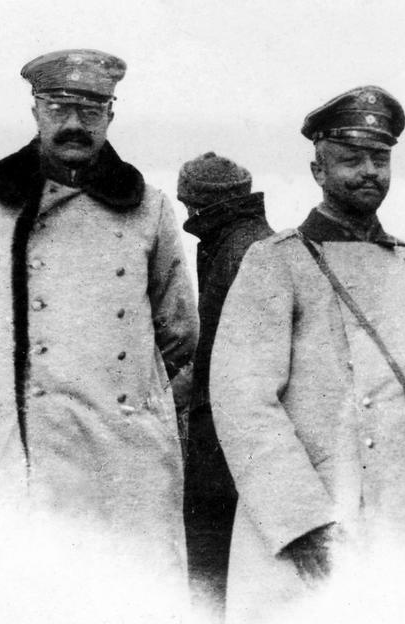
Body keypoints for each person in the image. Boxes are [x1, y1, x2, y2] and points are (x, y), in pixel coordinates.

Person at [209, 85, 405, 622]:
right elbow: (244, 403)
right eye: (351, 159)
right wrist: (302, 524)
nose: (369, 171)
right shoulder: (276, 263)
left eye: (380, 158)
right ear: (318, 169)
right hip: (322, 517)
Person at [0, 49, 199, 581]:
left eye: (90, 111)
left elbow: (178, 328)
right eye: (59, 108)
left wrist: (132, 393)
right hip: (14, 438)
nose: (73, 125)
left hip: (122, 443)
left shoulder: (151, 208)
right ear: (36, 110)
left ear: (111, 114)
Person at [177, 152, 273, 615]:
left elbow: (223, 359)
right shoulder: (251, 242)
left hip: (225, 441)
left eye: (189, 207)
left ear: (201, 208)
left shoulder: (238, 251)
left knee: (214, 572)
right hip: (239, 437)